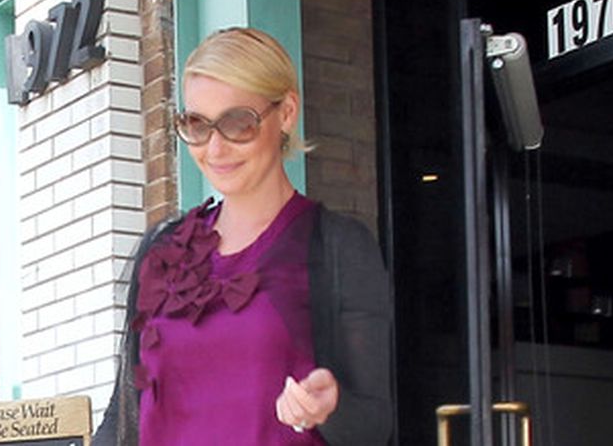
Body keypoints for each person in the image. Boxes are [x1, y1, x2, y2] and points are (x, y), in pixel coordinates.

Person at [93, 27, 393, 446]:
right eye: (197, 124)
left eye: (238, 123)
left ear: (286, 113)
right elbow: (124, 414)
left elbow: (375, 426)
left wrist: (331, 407)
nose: (215, 148)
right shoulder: (163, 251)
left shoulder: (338, 248)